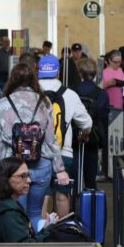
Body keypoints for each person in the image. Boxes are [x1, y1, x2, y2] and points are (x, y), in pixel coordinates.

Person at [0, 63, 70, 229]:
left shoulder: (3, 103)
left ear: (12, 80)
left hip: (13, 168)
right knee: (34, 213)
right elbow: (51, 138)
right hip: (41, 164)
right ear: (34, 80)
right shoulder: (44, 101)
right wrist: (60, 169)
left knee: (17, 212)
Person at [38, 55, 92, 215]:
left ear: (38, 71)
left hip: (37, 154)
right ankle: (62, 233)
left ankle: (42, 233)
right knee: (62, 194)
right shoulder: (69, 94)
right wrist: (84, 135)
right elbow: (87, 123)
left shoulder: (32, 93)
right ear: (58, 72)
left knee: (42, 196)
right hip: (63, 153)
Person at [0, 157, 61, 243]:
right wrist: (48, 230)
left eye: (28, 175)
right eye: (23, 176)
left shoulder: (2, 202)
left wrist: (45, 229)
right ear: (5, 179)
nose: (29, 180)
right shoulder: (7, 212)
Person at [75, 57, 110, 190]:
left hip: (74, 138)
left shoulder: (72, 91)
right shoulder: (102, 94)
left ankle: (74, 205)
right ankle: (91, 205)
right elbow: (103, 117)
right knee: (90, 179)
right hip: (93, 138)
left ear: (79, 73)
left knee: (74, 177)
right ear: (95, 73)